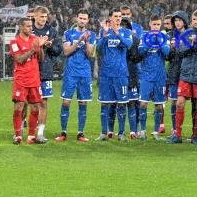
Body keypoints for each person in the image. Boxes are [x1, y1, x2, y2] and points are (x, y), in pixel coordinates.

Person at [55, 9, 96, 142]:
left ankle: (80, 133)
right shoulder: (68, 33)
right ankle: (63, 132)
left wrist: (87, 41)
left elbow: (90, 54)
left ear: (88, 20)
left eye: (85, 19)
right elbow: (66, 51)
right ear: (76, 18)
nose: (82, 21)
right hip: (71, 72)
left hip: (84, 73)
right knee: (66, 102)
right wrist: (78, 41)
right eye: (80, 18)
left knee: (83, 102)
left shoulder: (92, 34)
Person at [170, 9, 197, 144]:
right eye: (194, 19)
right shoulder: (186, 34)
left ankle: (195, 135)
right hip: (186, 74)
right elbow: (180, 51)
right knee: (180, 102)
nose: (196, 22)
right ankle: (178, 135)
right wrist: (192, 45)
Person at [96, 8, 133, 141]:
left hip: (121, 74)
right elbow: (99, 48)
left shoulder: (126, 32)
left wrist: (117, 33)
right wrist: (105, 34)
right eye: (115, 16)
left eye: (120, 16)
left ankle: (121, 133)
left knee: (122, 104)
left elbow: (128, 45)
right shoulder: (104, 32)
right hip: (106, 74)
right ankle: (104, 132)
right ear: (110, 18)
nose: (118, 18)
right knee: (105, 104)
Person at [10, 17, 48, 144]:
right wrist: (33, 49)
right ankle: (18, 135)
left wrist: (40, 47)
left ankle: (31, 136)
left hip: (34, 79)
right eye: (28, 26)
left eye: (31, 26)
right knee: (19, 106)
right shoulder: (14, 42)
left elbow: (41, 59)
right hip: (21, 79)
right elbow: (19, 59)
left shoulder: (34, 39)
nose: (31, 29)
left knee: (36, 107)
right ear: (21, 27)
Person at [32, 5, 63, 143]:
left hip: (45, 71)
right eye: (41, 16)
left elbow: (58, 50)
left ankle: (40, 133)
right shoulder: (28, 29)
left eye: (45, 17)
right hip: (30, 71)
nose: (44, 19)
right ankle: (24, 131)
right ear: (35, 16)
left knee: (43, 103)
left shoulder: (51, 31)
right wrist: (37, 44)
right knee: (29, 103)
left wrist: (50, 46)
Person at [138, 15, 170, 140]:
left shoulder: (164, 37)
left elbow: (167, 53)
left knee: (159, 105)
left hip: (160, 76)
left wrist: (159, 42)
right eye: (154, 24)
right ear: (149, 24)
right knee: (143, 104)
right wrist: (150, 41)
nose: (156, 27)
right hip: (146, 75)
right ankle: (143, 130)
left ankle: (156, 132)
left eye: (158, 25)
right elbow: (140, 53)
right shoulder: (144, 37)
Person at [166, 11, 189, 141]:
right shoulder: (170, 36)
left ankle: (195, 134)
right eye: (175, 21)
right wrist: (171, 48)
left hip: (187, 72)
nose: (177, 23)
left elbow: (189, 52)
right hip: (174, 73)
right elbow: (168, 57)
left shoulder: (190, 34)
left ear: (184, 21)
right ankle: (176, 131)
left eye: (180, 20)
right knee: (175, 102)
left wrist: (179, 47)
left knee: (196, 103)